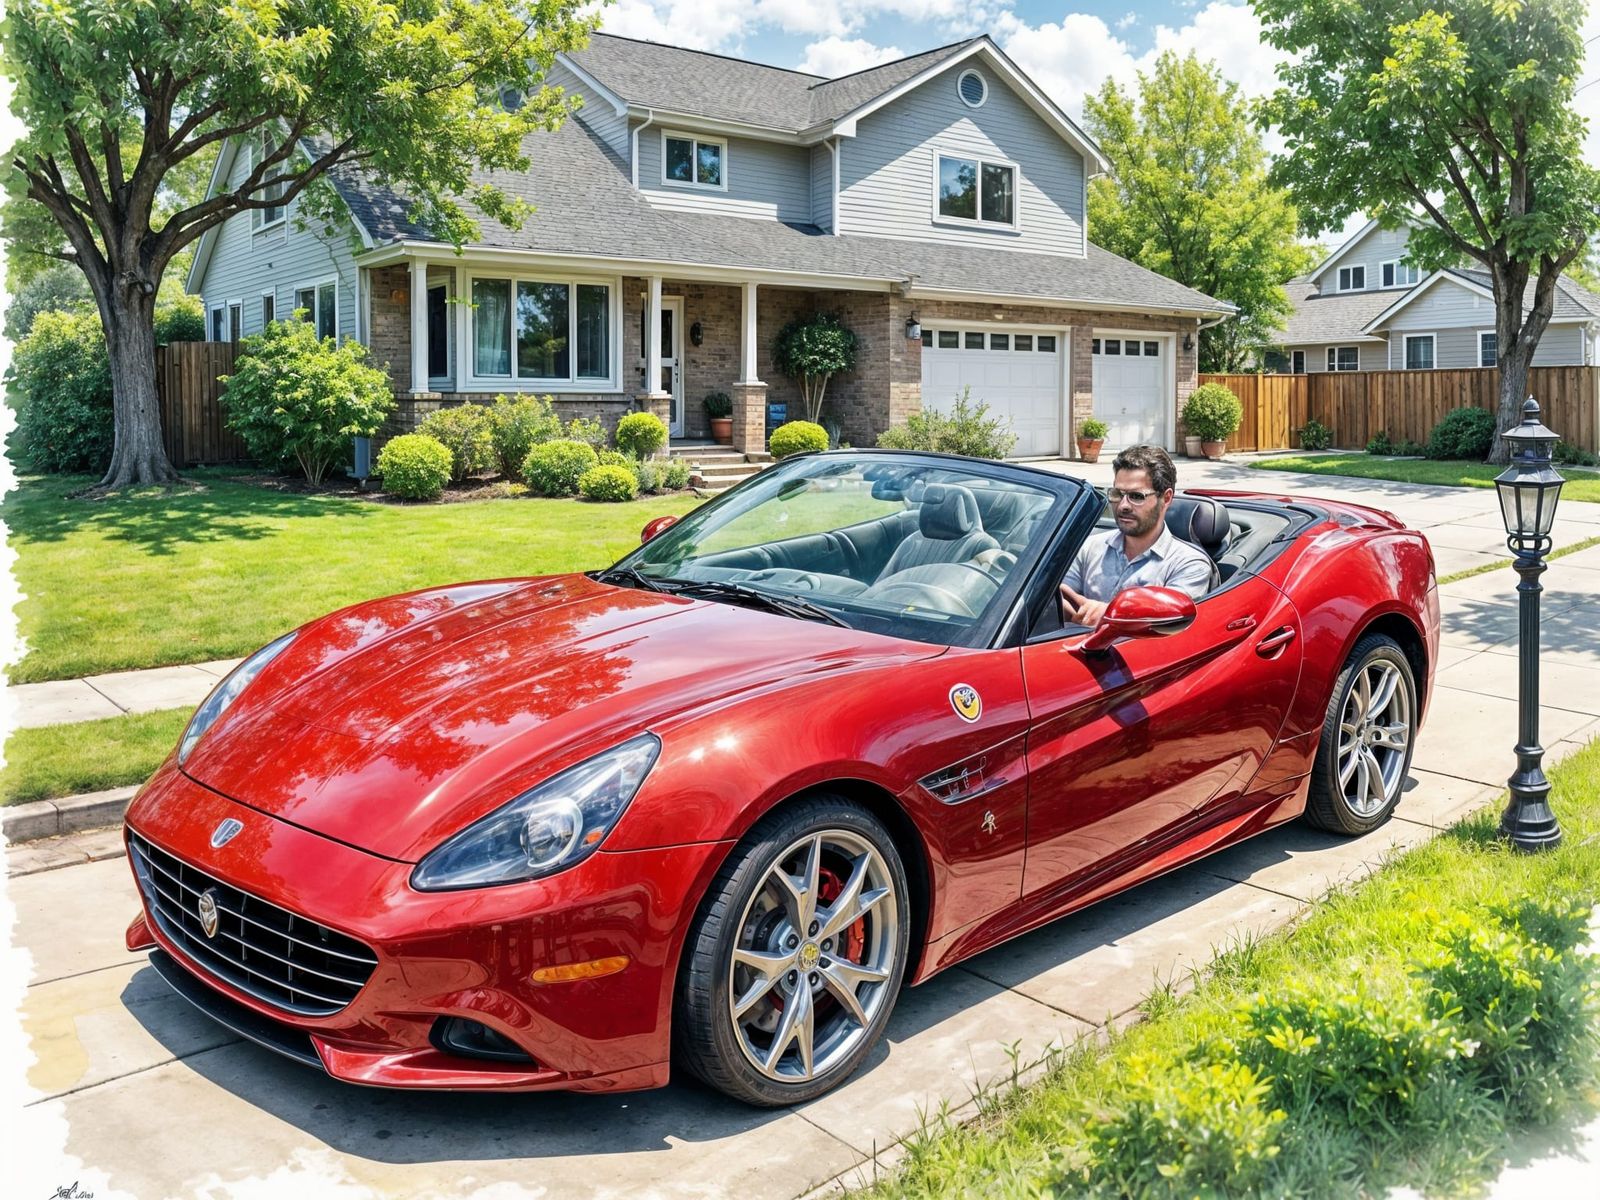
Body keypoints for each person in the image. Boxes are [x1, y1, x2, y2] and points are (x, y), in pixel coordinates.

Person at [1059, 444, 1213, 627]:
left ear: (1166, 498)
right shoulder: (1088, 547)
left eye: (1137, 496)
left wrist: (1111, 615)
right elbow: (1060, 598)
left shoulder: (1189, 564)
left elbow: (1168, 626)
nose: (1123, 505)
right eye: (1117, 493)